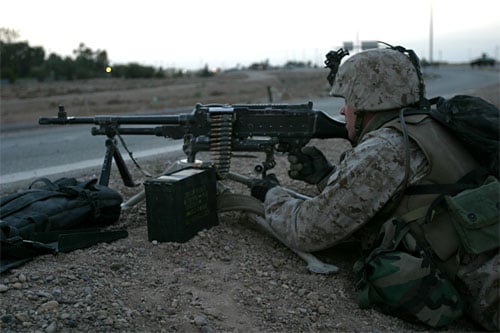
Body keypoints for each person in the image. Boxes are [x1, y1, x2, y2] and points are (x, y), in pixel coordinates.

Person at [250, 46, 499, 330]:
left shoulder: (387, 147)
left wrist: (271, 193)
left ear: (368, 102)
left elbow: (307, 229)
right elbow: (409, 197)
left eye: (348, 100)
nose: (343, 110)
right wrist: (325, 177)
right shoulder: (428, 124)